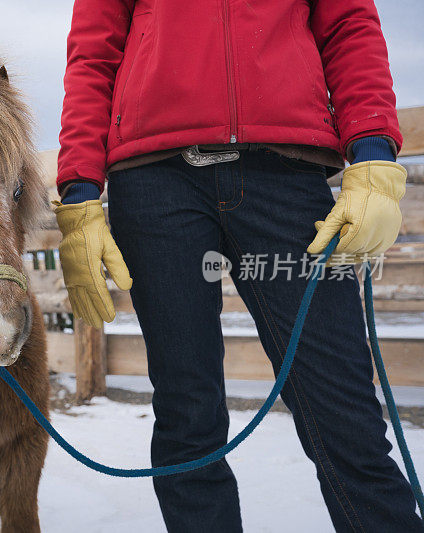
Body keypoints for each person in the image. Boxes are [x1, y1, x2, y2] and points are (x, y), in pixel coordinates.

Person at [53, 0, 421, 531]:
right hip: (156, 183)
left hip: (288, 176)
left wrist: (373, 151)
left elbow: (347, 23)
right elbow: (93, 52)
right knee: (186, 416)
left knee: (345, 412)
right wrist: (80, 191)